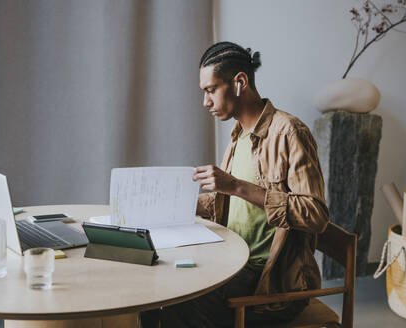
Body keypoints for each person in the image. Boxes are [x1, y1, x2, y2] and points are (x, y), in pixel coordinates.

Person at [141, 41, 329, 328]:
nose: (205, 102)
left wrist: (236, 186)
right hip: (231, 262)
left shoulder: (289, 132)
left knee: (177, 304)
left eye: (210, 90)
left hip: (270, 283)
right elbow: (236, 204)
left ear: (240, 81)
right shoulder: (238, 134)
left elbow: (315, 215)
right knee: (153, 295)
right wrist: (182, 205)